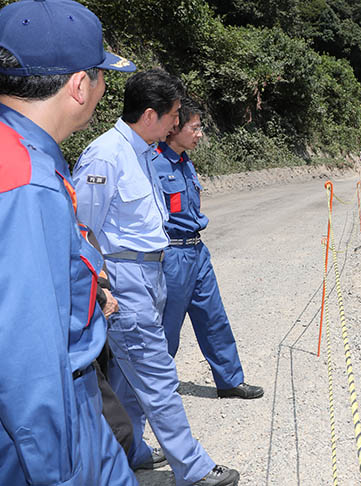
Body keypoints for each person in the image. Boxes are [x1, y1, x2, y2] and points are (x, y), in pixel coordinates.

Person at [73, 69, 239, 486]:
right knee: (158, 374)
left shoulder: (145, 151)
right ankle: (193, 468)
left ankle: (131, 451)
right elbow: (79, 229)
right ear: (151, 115)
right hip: (125, 275)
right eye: (174, 115)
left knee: (131, 379)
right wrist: (101, 286)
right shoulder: (106, 155)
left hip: (153, 270)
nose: (176, 124)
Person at [0, 0, 138, 484]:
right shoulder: (28, 182)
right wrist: (58, 472)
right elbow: (28, 360)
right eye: (102, 75)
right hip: (52, 416)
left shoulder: (18, 151)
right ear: (80, 85)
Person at [155, 97, 263, 400]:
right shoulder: (153, 164)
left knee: (214, 317)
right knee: (167, 327)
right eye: (195, 127)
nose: (199, 134)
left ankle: (229, 381)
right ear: (174, 128)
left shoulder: (186, 163)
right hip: (172, 255)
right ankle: (156, 389)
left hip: (197, 252)